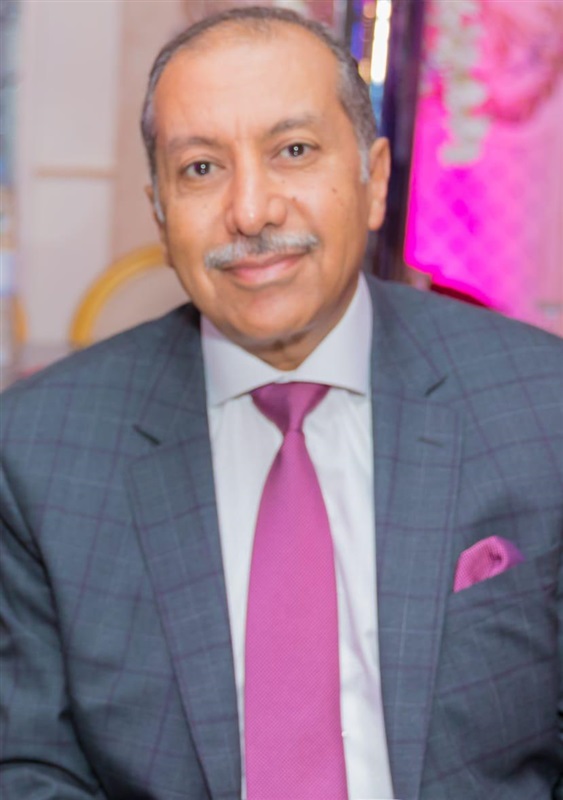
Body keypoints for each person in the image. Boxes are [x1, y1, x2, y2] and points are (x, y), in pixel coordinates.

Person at [1, 6, 562, 800]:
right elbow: (30, 767)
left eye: (292, 151)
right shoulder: (40, 453)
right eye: (201, 168)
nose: (251, 211)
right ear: (159, 212)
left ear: (373, 180)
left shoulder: (540, 406)